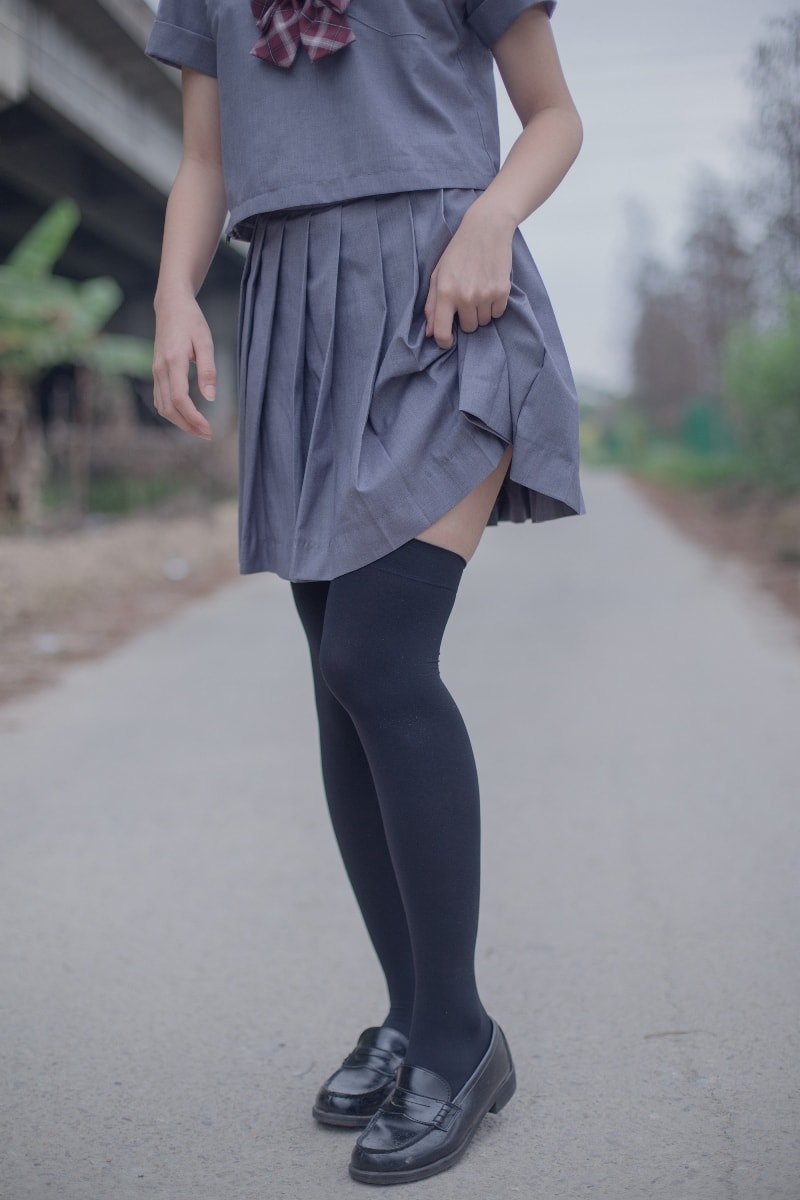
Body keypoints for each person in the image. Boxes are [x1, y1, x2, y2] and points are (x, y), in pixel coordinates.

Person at [146, 0, 584, 1185]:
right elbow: (205, 158)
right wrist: (176, 294)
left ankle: (458, 1035)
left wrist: (492, 215)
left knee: (374, 663)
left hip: (444, 292)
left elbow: (551, 114)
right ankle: (411, 1010)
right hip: (296, 312)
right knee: (335, 679)